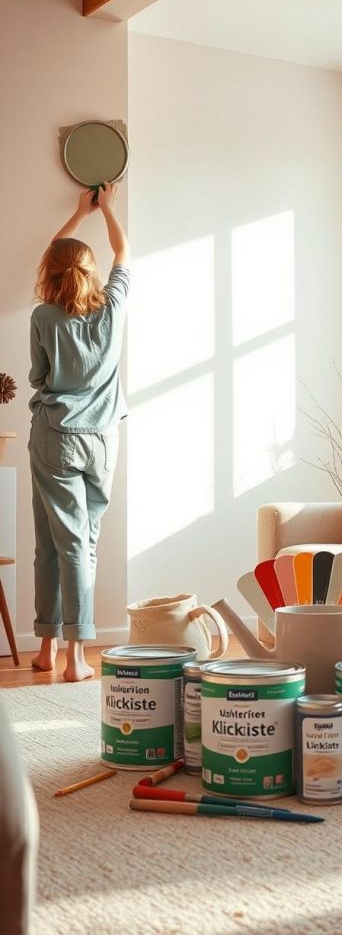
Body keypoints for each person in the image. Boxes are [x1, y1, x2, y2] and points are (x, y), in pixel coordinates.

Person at [28, 182, 130, 681]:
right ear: (92, 274)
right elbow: (123, 251)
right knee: (77, 542)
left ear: (51, 274)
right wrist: (106, 210)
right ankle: (61, 654)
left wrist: (75, 215)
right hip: (102, 440)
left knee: (53, 543)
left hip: (54, 436)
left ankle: (69, 655)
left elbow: (40, 377)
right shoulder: (112, 310)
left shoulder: (43, 317)